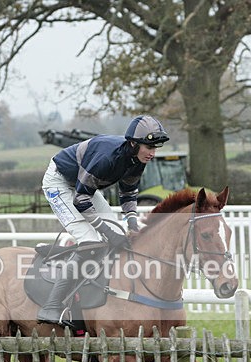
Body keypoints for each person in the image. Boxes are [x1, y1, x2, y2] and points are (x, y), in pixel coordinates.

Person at [36, 115, 170, 326]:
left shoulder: (138, 160)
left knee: (117, 231)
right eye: (149, 147)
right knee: (91, 241)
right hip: (60, 182)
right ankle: (51, 306)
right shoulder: (107, 158)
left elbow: (128, 194)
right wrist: (107, 232)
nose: (152, 153)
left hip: (83, 185)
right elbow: (81, 200)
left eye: (155, 148)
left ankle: (97, 287)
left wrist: (132, 224)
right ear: (133, 143)